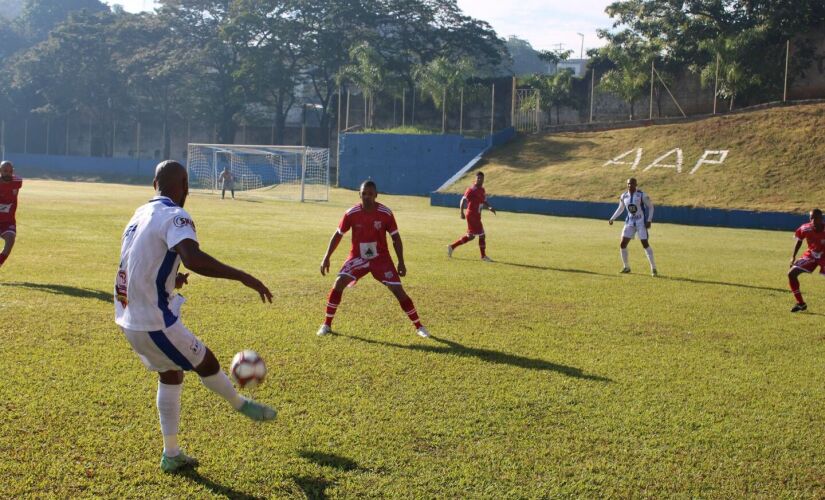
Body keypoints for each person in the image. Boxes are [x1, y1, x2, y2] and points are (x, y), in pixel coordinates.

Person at [115, 160, 276, 473]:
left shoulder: (140, 214)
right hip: (154, 320)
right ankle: (241, 405)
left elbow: (135, 262)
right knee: (207, 361)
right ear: (185, 185)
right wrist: (244, 276)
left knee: (171, 374)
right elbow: (194, 259)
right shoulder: (176, 215)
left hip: (129, 317)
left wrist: (170, 280)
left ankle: (171, 454)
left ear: (153, 184)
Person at [317, 180, 429, 338]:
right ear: (359, 195)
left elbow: (396, 238)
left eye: (370, 194)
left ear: (376, 195)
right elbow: (338, 235)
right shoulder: (351, 213)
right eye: (364, 193)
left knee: (398, 290)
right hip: (357, 257)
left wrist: (401, 261)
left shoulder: (386, 213)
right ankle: (326, 324)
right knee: (338, 283)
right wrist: (326, 257)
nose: (367, 197)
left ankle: (419, 326)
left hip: (380, 258)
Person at [608, 177, 657, 276]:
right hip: (629, 222)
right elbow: (621, 208)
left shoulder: (642, 195)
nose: (630, 185)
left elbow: (651, 207)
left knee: (645, 244)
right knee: (622, 244)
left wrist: (649, 220)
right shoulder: (624, 196)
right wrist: (612, 218)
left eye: (632, 184)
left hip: (641, 223)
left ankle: (653, 268)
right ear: (627, 185)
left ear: (636, 184)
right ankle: (626, 267)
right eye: (628, 184)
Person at [447, 171, 496, 261]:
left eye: (481, 178)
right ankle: (483, 256)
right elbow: (463, 200)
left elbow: (483, 200)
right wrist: (461, 212)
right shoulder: (471, 190)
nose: (480, 180)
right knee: (482, 235)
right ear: (475, 179)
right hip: (472, 215)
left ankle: (452, 247)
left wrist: (489, 207)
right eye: (478, 178)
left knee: (471, 236)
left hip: (477, 215)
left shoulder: (482, 190)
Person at [788, 208, 825, 312]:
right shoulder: (805, 228)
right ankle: (801, 304)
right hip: (811, 255)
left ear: (821, 219)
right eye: (811, 217)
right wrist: (793, 256)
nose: (813, 220)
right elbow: (799, 240)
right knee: (791, 274)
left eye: (816, 218)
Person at [0, 161, 22, 269]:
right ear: (0, 171)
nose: (7, 173)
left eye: (10, 171)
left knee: (10, 241)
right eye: (5, 171)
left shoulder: (17, 181)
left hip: (8, 221)